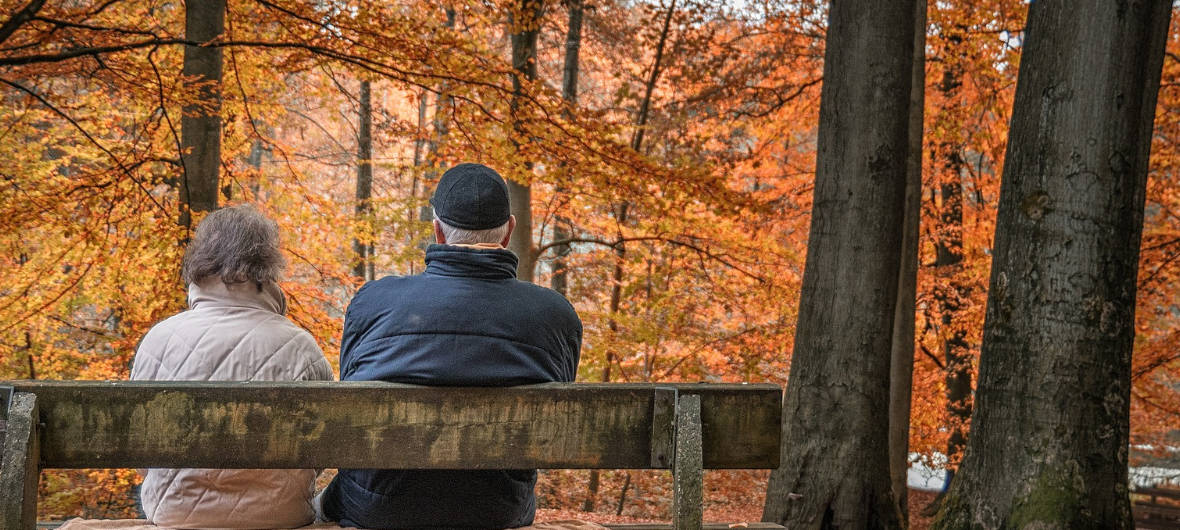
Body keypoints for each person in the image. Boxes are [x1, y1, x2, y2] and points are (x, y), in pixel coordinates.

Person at [319, 163, 583, 529]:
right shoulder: (555, 317)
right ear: (509, 231)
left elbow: (350, 392)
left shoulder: (373, 302)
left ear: (438, 232)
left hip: (376, 508)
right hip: (496, 510)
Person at [131, 205, 332, 529]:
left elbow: (140, 454)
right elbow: (325, 448)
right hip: (280, 517)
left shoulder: (159, 340)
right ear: (267, 267)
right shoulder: (301, 346)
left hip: (177, 516)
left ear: (200, 262)